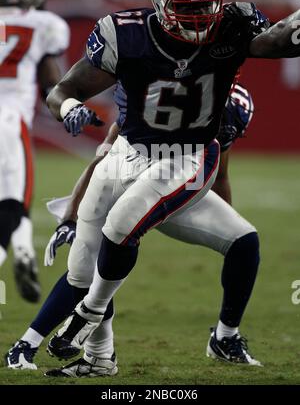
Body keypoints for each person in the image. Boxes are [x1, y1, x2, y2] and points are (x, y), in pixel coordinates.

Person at [42, 0, 300, 374]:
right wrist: (70, 106)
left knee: (127, 225)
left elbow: (276, 41)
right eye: (189, 8)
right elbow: (64, 88)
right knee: (100, 237)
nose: (200, 18)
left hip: (185, 155)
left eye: (207, 6)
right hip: (131, 152)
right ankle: (92, 347)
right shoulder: (126, 35)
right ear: (162, 6)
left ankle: (89, 316)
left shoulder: (232, 26)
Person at [5, 81, 255, 374]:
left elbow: (219, 175)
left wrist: (222, 221)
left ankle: (225, 337)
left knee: (244, 240)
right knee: (88, 262)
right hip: (130, 181)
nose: (220, 133)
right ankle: (35, 344)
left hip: (179, 185)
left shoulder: (214, 131)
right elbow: (102, 161)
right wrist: (71, 217)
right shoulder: (155, 103)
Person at [0, 0, 70, 302]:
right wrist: (67, 108)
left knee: (9, 205)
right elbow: (50, 83)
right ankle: (20, 252)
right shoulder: (43, 24)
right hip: (8, 122)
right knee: (13, 205)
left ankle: (25, 250)